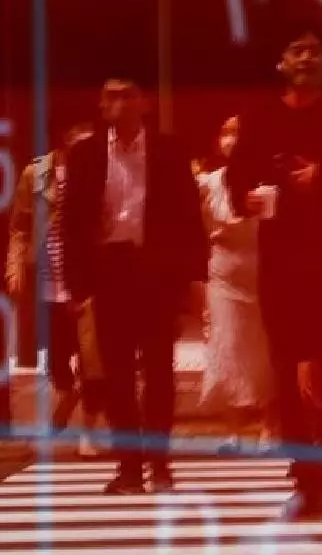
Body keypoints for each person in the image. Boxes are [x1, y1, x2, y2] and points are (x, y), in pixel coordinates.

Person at [225, 24, 322, 519]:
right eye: (296, 50)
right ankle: (305, 477)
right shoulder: (259, 116)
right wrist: (244, 196)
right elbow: (237, 176)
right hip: (282, 262)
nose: (305, 58)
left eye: (314, 51)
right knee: (287, 371)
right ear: (281, 62)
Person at [61, 74, 208, 494]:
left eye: (128, 95)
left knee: (160, 371)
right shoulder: (85, 154)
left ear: (145, 103)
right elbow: (71, 222)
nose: (119, 104)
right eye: (111, 96)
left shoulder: (168, 150)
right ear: (101, 104)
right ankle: (129, 466)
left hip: (156, 270)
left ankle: (160, 465)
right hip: (109, 270)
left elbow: (188, 215)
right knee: (117, 375)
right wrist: (75, 285)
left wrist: (194, 276)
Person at [8, 122, 109, 456]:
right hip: (49, 282)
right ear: (66, 143)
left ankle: (88, 432)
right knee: (55, 360)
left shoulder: (100, 172)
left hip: (88, 283)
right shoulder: (36, 174)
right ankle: (68, 394)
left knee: (93, 362)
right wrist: (15, 265)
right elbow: (20, 226)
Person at [196, 116, 275, 452]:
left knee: (267, 350)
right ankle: (233, 432)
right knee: (226, 346)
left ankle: (270, 428)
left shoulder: (269, 180)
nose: (232, 139)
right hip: (223, 274)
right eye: (226, 132)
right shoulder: (207, 184)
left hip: (265, 271)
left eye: (239, 133)